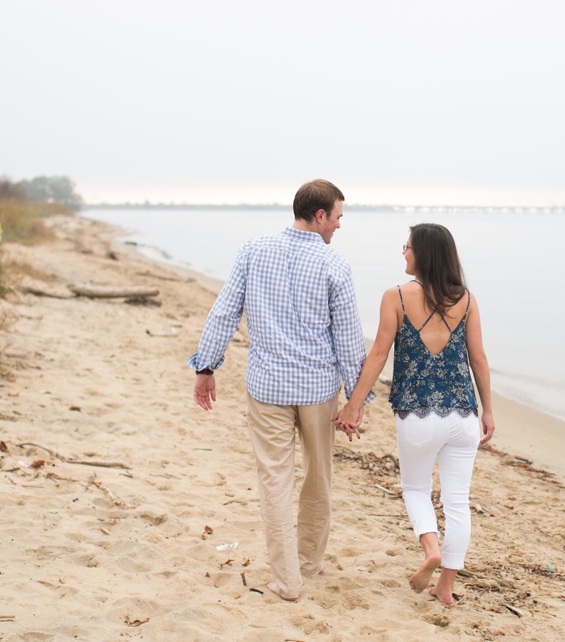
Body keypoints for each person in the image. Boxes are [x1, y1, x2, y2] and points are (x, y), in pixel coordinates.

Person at [188, 179, 372, 601]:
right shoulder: (334, 266)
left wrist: (206, 366)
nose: (340, 227)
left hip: (268, 386)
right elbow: (347, 340)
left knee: (274, 480)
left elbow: (224, 311)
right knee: (318, 477)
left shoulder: (253, 250)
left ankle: (288, 579)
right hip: (318, 390)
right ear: (320, 215)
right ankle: (306, 564)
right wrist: (357, 399)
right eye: (339, 217)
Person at [333, 223, 494, 605]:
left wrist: (354, 405)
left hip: (418, 416)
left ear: (422, 253)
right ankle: (447, 585)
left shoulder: (396, 297)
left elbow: (378, 355)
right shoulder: (467, 300)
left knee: (416, 489)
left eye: (406, 247)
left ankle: (430, 550)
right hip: (463, 417)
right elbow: (479, 359)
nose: (403, 252)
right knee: (457, 501)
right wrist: (488, 410)